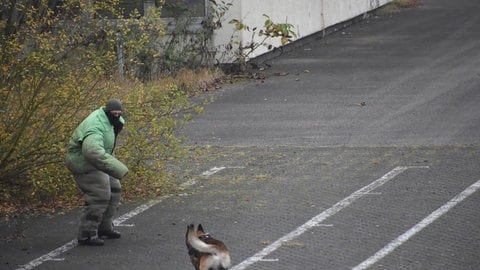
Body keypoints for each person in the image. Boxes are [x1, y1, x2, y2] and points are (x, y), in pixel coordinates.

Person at [66, 99, 129, 246]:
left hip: (98, 160)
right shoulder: (95, 125)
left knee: (114, 190)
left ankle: (104, 228)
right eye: (114, 113)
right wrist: (119, 168)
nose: (117, 116)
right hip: (83, 163)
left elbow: (104, 147)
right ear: (107, 112)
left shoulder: (110, 120)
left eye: (119, 114)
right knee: (99, 195)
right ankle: (87, 234)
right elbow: (92, 152)